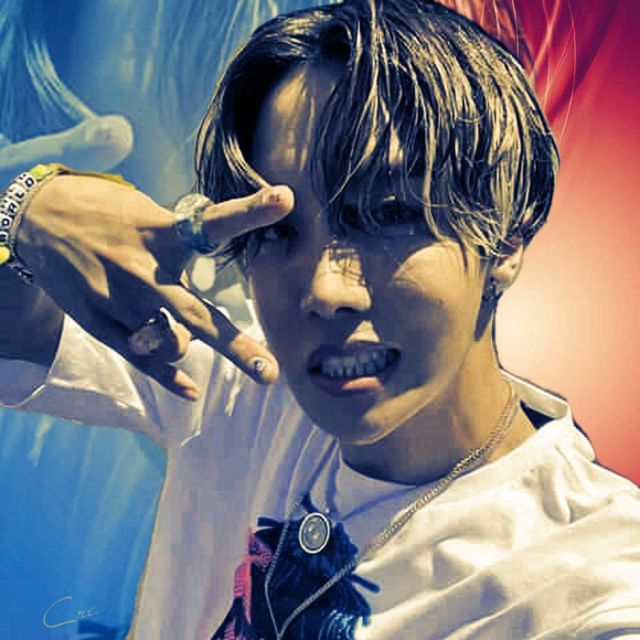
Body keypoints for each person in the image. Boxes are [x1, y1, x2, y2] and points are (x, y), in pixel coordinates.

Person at [0, 1, 638, 638]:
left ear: (506, 237)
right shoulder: (246, 384)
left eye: (389, 213)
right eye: (278, 230)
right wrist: (25, 217)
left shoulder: (590, 581)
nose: (326, 289)